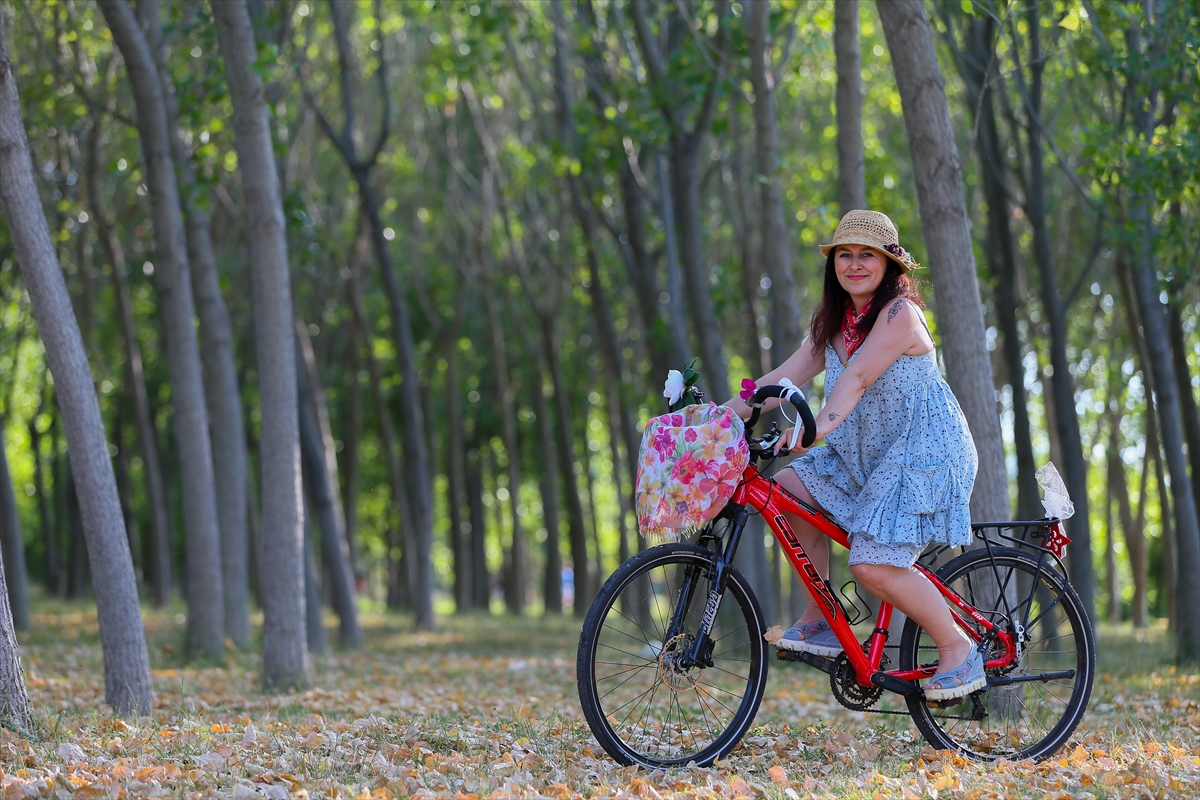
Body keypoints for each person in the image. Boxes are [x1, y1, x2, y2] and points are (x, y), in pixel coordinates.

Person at [725, 210, 983, 701]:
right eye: (846, 254)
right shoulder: (835, 321)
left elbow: (856, 379)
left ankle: (958, 646)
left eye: (868, 255)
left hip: (922, 452)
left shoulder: (898, 314)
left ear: (890, 265)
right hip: (865, 455)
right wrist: (718, 417)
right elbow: (781, 379)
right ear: (834, 264)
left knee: (872, 567)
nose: (855, 264)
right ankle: (822, 616)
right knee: (785, 492)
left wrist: (813, 428)